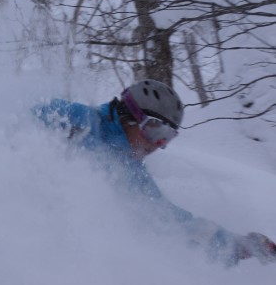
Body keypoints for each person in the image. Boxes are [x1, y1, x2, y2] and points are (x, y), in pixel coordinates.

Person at [32, 78, 276, 266]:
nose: (156, 145)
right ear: (129, 116)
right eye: (155, 131)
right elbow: (11, 127)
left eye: (166, 138)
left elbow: (166, 219)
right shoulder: (79, 119)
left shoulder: (131, 171)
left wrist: (234, 246)